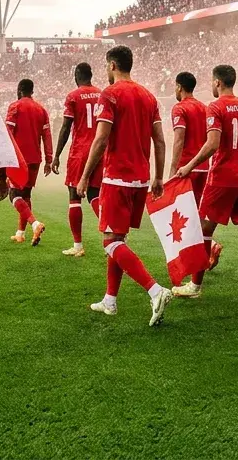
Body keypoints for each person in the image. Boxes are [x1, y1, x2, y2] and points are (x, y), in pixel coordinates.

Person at [77, 46, 173, 326]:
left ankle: (155, 290)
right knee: (117, 239)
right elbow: (160, 140)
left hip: (117, 177)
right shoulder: (148, 96)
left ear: (112, 65)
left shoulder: (110, 94)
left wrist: (84, 176)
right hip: (141, 179)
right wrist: (157, 177)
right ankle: (110, 300)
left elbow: (101, 139)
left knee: (109, 242)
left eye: (106, 66)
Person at [173, 65, 238, 308]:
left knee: (203, 231)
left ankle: (195, 286)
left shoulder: (217, 106)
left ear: (217, 82)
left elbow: (212, 144)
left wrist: (188, 166)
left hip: (222, 177)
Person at [169, 71, 221, 268]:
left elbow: (179, 139)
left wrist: (173, 169)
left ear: (179, 87)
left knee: (182, 216)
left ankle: (204, 251)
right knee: (196, 214)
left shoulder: (179, 108)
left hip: (187, 169)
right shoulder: (204, 107)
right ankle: (208, 248)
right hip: (205, 169)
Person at [51, 62, 101, 257]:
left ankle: (78, 246)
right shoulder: (101, 94)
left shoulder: (73, 96)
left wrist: (56, 155)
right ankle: (114, 237)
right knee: (95, 194)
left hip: (80, 151)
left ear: (76, 76)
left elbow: (65, 127)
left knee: (74, 196)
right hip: (99, 150)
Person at [3, 79, 52, 246]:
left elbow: (7, 133)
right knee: (26, 195)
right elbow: (47, 136)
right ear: (32, 91)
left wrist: (4, 157)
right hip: (35, 159)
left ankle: (35, 224)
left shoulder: (15, 107)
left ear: (19, 90)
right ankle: (20, 233)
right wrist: (49, 158)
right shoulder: (41, 109)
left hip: (19, 159)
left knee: (14, 195)